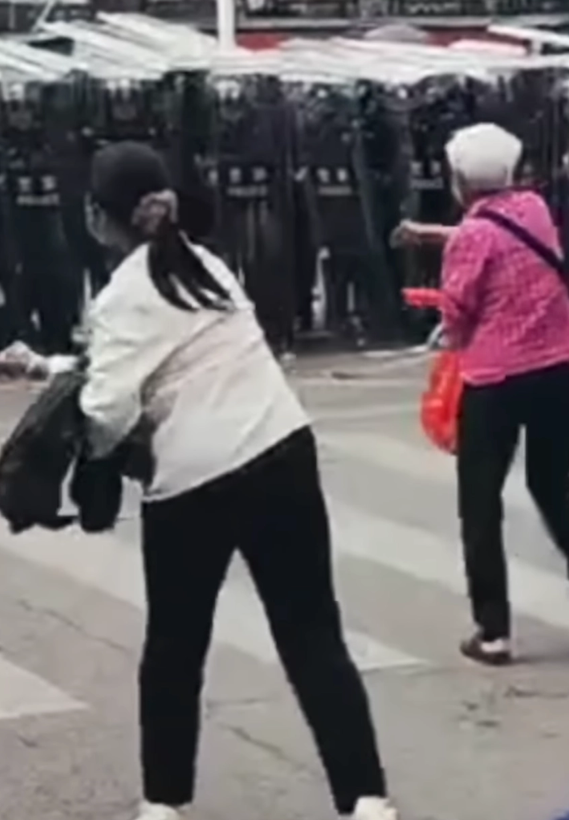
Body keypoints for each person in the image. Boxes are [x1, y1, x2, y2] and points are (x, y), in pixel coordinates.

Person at [79, 141, 397, 820]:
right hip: (282, 450)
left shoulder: (121, 296)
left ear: (102, 217)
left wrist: (89, 444)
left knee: (175, 647)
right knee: (312, 634)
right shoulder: (208, 265)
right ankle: (367, 798)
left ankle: (164, 802)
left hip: (194, 480)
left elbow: (106, 412)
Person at [393, 123, 569, 667]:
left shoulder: (472, 238)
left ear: (460, 178)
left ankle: (493, 632)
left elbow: (460, 305)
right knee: (552, 481)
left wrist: (448, 335)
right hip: (562, 363)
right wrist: (434, 234)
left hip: (497, 379)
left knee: (481, 502)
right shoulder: (534, 209)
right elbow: (499, 239)